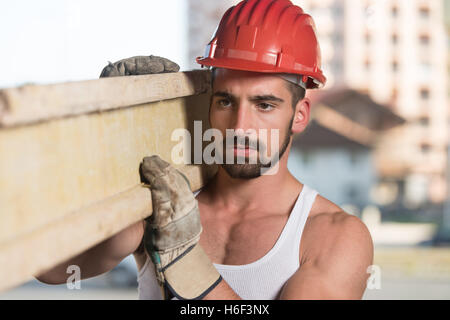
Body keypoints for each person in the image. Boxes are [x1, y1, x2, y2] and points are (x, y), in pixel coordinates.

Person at [36, 0, 373, 300]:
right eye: (225, 101)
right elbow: (50, 268)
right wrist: (108, 135)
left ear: (299, 115)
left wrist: (187, 264)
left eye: (264, 105)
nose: (240, 126)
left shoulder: (332, 236)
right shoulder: (162, 204)